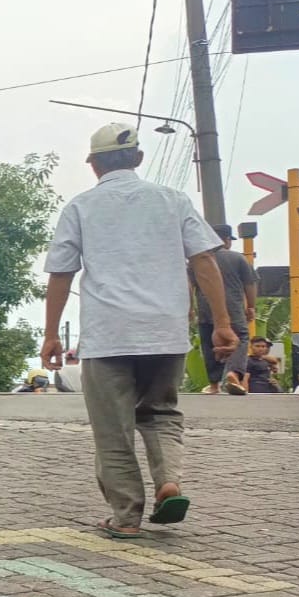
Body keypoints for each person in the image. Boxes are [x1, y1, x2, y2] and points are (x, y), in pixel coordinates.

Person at [41, 123, 237, 540]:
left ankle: (126, 516)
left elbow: (61, 272)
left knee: (113, 428)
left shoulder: (80, 207)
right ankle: (169, 482)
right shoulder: (173, 200)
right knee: (161, 413)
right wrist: (221, 323)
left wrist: (51, 334)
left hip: (108, 334)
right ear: (139, 158)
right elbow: (204, 261)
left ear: (93, 165)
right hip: (164, 331)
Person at [190, 224, 256, 396]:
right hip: (233, 309)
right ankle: (233, 373)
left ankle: (214, 384)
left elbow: (190, 286)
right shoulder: (238, 258)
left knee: (209, 343)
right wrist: (251, 306)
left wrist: (190, 308)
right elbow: (250, 284)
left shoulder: (197, 260)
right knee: (240, 338)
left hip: (206, 309)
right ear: (226, 240)